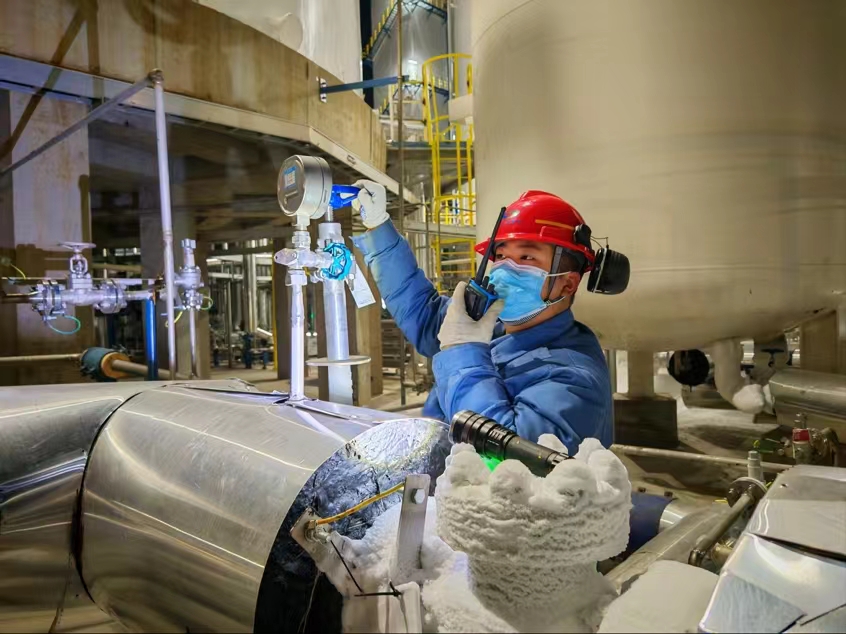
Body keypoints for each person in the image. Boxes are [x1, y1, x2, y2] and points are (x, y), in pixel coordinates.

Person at [351, 184, 612, 453]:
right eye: (500, 255)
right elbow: (424, 313)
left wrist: (464, 350)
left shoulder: (575, 380)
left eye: (526, 257)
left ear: (567, 284)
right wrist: (379, 228)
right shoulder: (494, 324)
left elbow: (508, 458)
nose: (505, 269)